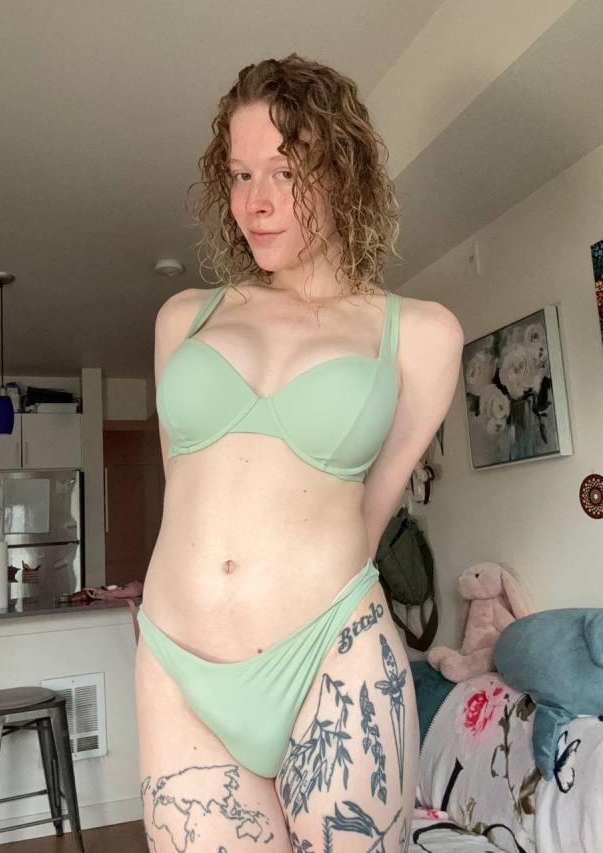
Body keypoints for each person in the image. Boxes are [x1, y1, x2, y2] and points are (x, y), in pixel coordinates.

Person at [135, 54, 463, 853]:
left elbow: (369, 512)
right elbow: (186, 492)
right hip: (181, 667)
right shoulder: (185, 317)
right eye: (240, 174)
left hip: (333, 657)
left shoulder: (419, 334)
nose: (256, 201)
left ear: (345, 171)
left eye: (285, 171)